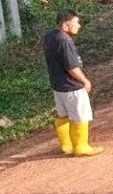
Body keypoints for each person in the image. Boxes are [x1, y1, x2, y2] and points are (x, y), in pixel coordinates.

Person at [43, 9, 103, 157]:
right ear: (65, 25)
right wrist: (85, 81)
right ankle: (81, 146)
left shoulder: (51, 36)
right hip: (72, 86)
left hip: (58, 86)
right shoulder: (65, 41)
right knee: (80, 116)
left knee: (63, 116)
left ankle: (67, 145)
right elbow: (72, 67)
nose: (79, 26)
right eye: (76, 23)